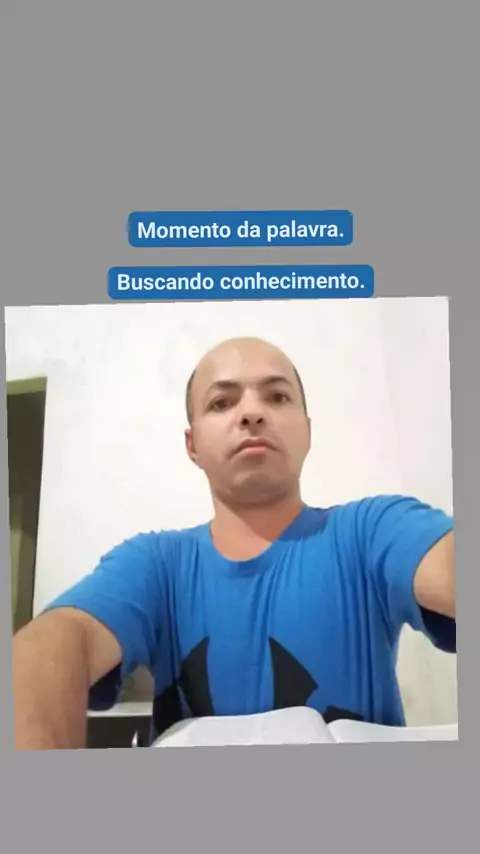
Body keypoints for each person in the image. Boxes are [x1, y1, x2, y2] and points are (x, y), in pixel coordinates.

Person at [12, 337, 456, 750]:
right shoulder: (155, 564)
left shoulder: (373, 529)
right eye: (222, 402)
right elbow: (56, 643)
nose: (251, 413)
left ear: (307, 430)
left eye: (277, 397)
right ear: (192, 445)